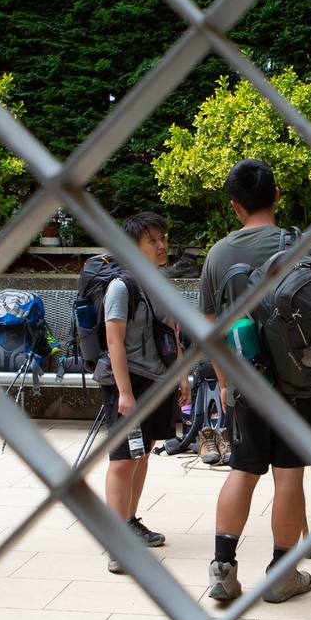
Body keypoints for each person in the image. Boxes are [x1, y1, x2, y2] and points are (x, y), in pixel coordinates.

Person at [200, 159, 311, 604]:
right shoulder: (303, 245)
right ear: (277, 197)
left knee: (243, 470)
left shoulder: (219, 255)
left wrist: (226, 383)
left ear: (235, 207)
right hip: (301, 382)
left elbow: (211, 329)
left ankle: (223, 570)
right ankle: (282, 575)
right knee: (288, 475)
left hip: (249, 382)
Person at [95, 212, 175, 574]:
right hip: (128, 383)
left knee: (142, 456)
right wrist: (124, 393)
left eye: (163, 238)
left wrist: (183, 377)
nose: (162, 246)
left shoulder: (160, 283)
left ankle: (129, 522)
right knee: (123, 459)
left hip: (158, 380)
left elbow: (172, 332)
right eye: (152, 241)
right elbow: (114, 342)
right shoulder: (120, 287)